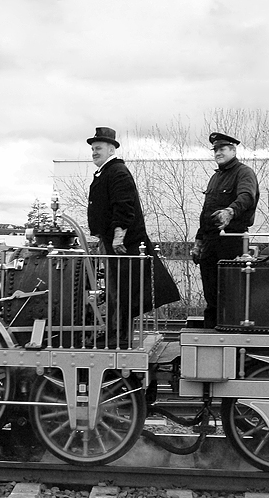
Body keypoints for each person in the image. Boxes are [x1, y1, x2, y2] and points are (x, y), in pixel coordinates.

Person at [85, 126, 180, 348]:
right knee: (116, 290)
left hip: (123, 245)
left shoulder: (117, 172)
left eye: (98, 148)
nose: (94, 152)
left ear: (111, 149)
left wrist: (119, 233)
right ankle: (115, 333)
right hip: (113, 242)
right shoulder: (108, 172)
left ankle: (118, 336)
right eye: (92, 149)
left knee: (121, 291)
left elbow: (124, 205)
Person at [191, 132, 260, 329]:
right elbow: (207, 212)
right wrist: (199, 241)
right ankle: (212, 328)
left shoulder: (244, 173)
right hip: (211, 240)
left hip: (231, 240)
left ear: (233, 150)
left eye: (222, 149)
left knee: (230, 290)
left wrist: (230, 211)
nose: (218, 153)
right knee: (211, 290)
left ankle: (229, 329)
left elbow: (247, 196)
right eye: (216, 150)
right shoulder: (215, 178)